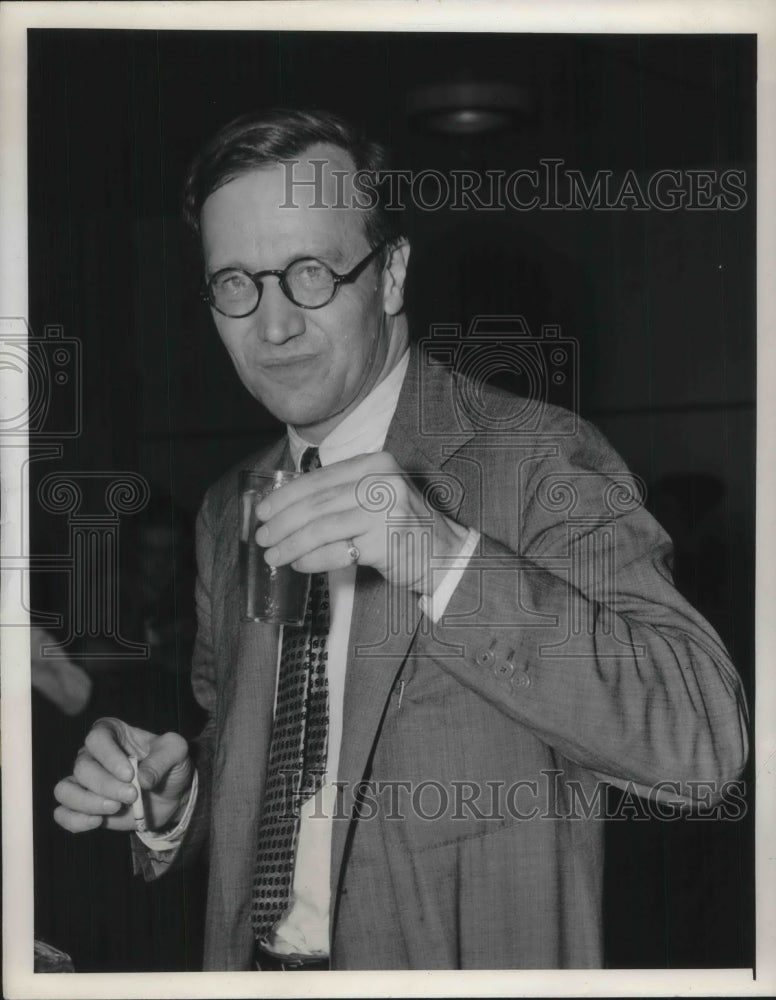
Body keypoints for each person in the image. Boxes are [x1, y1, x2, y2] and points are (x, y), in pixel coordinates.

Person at [53, 108, 749, 971]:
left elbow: (702, 743)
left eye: (309, 272)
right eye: (236, 284)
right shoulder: (226, 505)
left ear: (390, 276)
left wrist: (442, 556)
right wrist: (179, 795)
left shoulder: (539, 457)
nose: (272, 328)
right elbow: (253, 760)